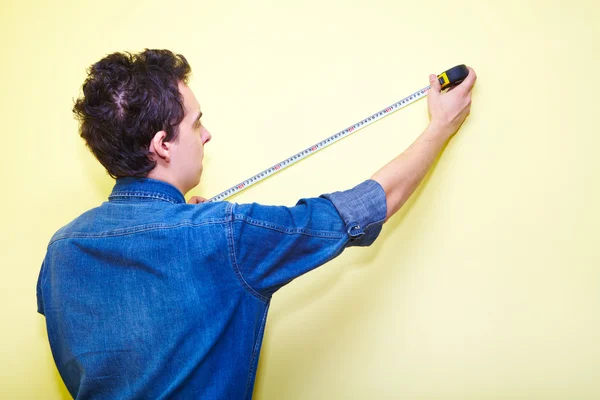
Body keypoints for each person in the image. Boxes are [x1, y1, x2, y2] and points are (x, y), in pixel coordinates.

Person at [36, 49, 476, 399]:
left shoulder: (60, 252)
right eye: (196, 122)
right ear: (162, 145)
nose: (206, 134)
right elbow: (362, 208)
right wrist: (442, 125)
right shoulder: (223, 234)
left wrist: (190, 231)